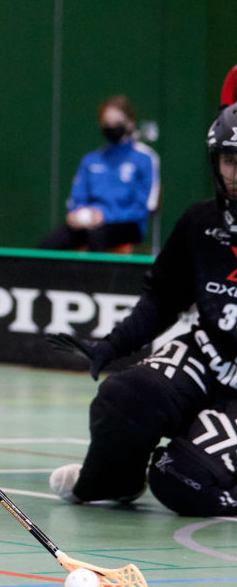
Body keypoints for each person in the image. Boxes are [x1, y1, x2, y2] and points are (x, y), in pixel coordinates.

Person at [49, 102, 237, 515]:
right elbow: (163, 298)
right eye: (229, 160)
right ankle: (112, 482)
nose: (236, 174)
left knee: (179, 478)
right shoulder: (199, 223)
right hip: (207, 358)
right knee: (123, 396)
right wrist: (111, 346)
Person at [39, 94, 160, 252]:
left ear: (130, 124)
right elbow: (77, 198)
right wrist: (77, 214)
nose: (111, 127)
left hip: (126, 225)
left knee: (98, 235)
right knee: (50, 244)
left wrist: (105, 216)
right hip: (89, 223)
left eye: (116, 122)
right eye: (107, 123)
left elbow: (146, 205)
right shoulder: (91, 160)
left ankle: (95, 278)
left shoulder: (145, 158)